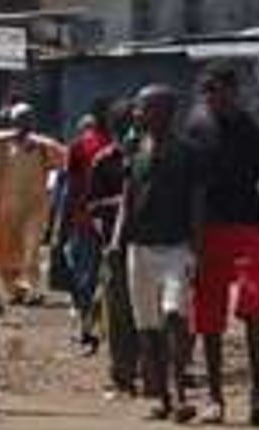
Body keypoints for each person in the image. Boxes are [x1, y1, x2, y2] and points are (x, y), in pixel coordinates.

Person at [185, 62, 259, 426]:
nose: (211, 98)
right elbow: (192, 190)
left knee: (253, 308)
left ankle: (258, 392)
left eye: (217, 90)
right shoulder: (197, 128)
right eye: (206, 92)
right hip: (209, 228)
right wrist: (192, 239)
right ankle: (214, 396)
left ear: (232, 91)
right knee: (209, 317)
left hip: (249, 227)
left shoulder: (258, 130)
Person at [107, 85, 200, 423]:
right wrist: (117, 240)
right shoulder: (135, 149)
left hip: (176, 247)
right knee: (148, 326)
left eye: (142, 108)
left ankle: (180, 392)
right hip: (140, 247)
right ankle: (161, 397)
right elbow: (128, 196)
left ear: (163, 112)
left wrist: (197, 247)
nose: (136, 114)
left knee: (175, 315)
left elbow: (196, 202)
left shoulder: (186, 152)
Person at [0, 102, 67, 305]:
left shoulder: (41, 146)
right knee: (4, 256)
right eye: (19, 120)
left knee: (30, 251)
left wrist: (37, 141)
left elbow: (63, 157)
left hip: (33, 209)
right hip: (2, 210)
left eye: (28, 119)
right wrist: (7, 135)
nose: (24, 124)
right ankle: (15, 291)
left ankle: (34, 290)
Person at [89, 100, 141, 400]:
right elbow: (93, 206)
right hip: (115, 246)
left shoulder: (151, 157)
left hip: (149, 242)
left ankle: (152, 371)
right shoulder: (104, 161)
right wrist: (121, 203)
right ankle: (122, 375)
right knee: (119, 314)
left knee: (150, 312)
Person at [63, 97, 117, 356]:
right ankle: (89, 329)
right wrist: (63, 224)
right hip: (86, 221)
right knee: (87, 279)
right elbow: (71, 188)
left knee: (100, 279)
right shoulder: (81, 146)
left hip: (111, 223)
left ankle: (101, 331)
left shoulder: (123, 145)